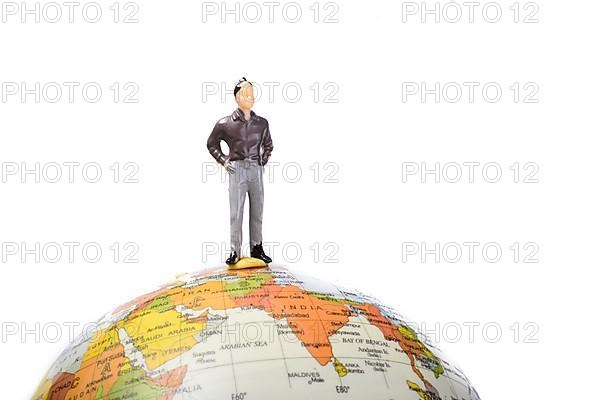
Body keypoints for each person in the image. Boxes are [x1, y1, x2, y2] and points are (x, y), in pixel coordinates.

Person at [207, 77, 274, 265]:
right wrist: (223, 160)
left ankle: (257, 247)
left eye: (252, 94)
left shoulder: (262, 123)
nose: (250, 97)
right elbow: (211, 144)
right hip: (236, 169)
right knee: (236, 212)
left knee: (258, 209)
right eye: (245, 94)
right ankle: (235, 250)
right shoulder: (225, 123)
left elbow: (268, 144)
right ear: (237, 97)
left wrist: (263, 160)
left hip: (255, 168)